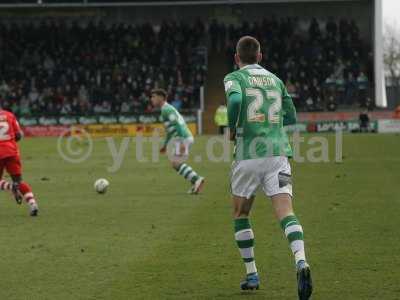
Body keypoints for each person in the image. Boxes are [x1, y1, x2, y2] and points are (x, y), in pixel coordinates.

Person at [223, 36, 312, 299]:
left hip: (249, 154)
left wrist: (233, 127)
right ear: (260, 57)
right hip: (278, 154)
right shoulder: (276, 80)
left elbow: (237, 102)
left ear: (237, 58)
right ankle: (301, 260)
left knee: (241, 213)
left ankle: (252, 274)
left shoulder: (234, 77)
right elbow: (292, 116)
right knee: (286, 211)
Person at [150, 89, 205, 194]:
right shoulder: (165, 110)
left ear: (161, 98)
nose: (151, 99)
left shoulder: (166, 110)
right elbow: (170, 131)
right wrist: (165, 145)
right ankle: (195, 183)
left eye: (153, 97)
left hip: (182, 138)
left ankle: (196, 179)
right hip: (182, 138)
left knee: (176, 163)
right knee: (176, 163)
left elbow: (178, 125)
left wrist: (182, 141)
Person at [0, 108, 39, 216]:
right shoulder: (9, 115)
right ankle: (32, 204)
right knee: (19, 181)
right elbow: (18, 135)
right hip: (11, 152)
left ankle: (10, 186)